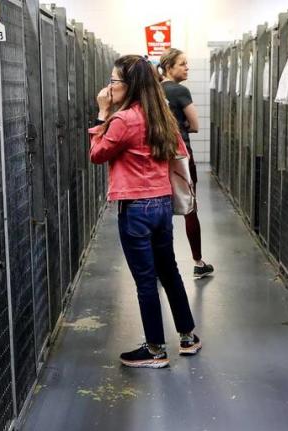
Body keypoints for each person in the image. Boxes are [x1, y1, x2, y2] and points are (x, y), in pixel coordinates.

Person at [89, 54, 202, 368]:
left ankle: (154, 350)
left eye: (114, 81)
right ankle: (188, 337)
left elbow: (97, 154)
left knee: (145, 280)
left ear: (130, 85)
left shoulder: (123, 120)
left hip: (136, 209)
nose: (110, 86)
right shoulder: (162, 114)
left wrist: (102, 112)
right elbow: (179, 151)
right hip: (162, 204)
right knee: (169, 272)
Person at [159, 49, 214, 279]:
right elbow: (195, 125)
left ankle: (161, 267)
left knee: (162, 209)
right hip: (181, 156)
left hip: (159, 155)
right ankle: (198, 262)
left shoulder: (153, 91)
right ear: (169, 67)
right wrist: (181, 129)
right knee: (190, 207)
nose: (187, 68)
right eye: (182, 64)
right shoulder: (181, 90)